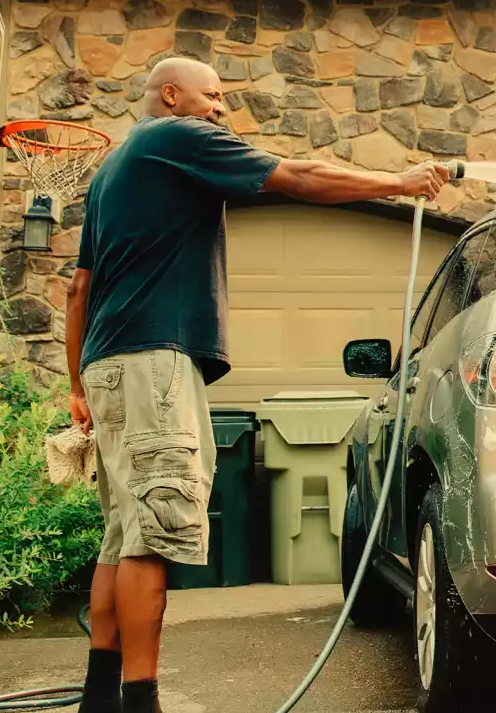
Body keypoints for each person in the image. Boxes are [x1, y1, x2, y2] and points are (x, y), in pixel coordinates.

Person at [64, 57, 449, 713]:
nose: (220, 108)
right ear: (171, 94)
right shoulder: (174, 136)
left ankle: (101, 697)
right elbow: (298, 175)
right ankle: (141, 701)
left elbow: (79, 290)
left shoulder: (114, 170)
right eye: (211, 95)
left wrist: (76, 387)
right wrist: (400, 182)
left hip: (108, 364)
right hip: (155, 360)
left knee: (121, 533)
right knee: (152, 535)